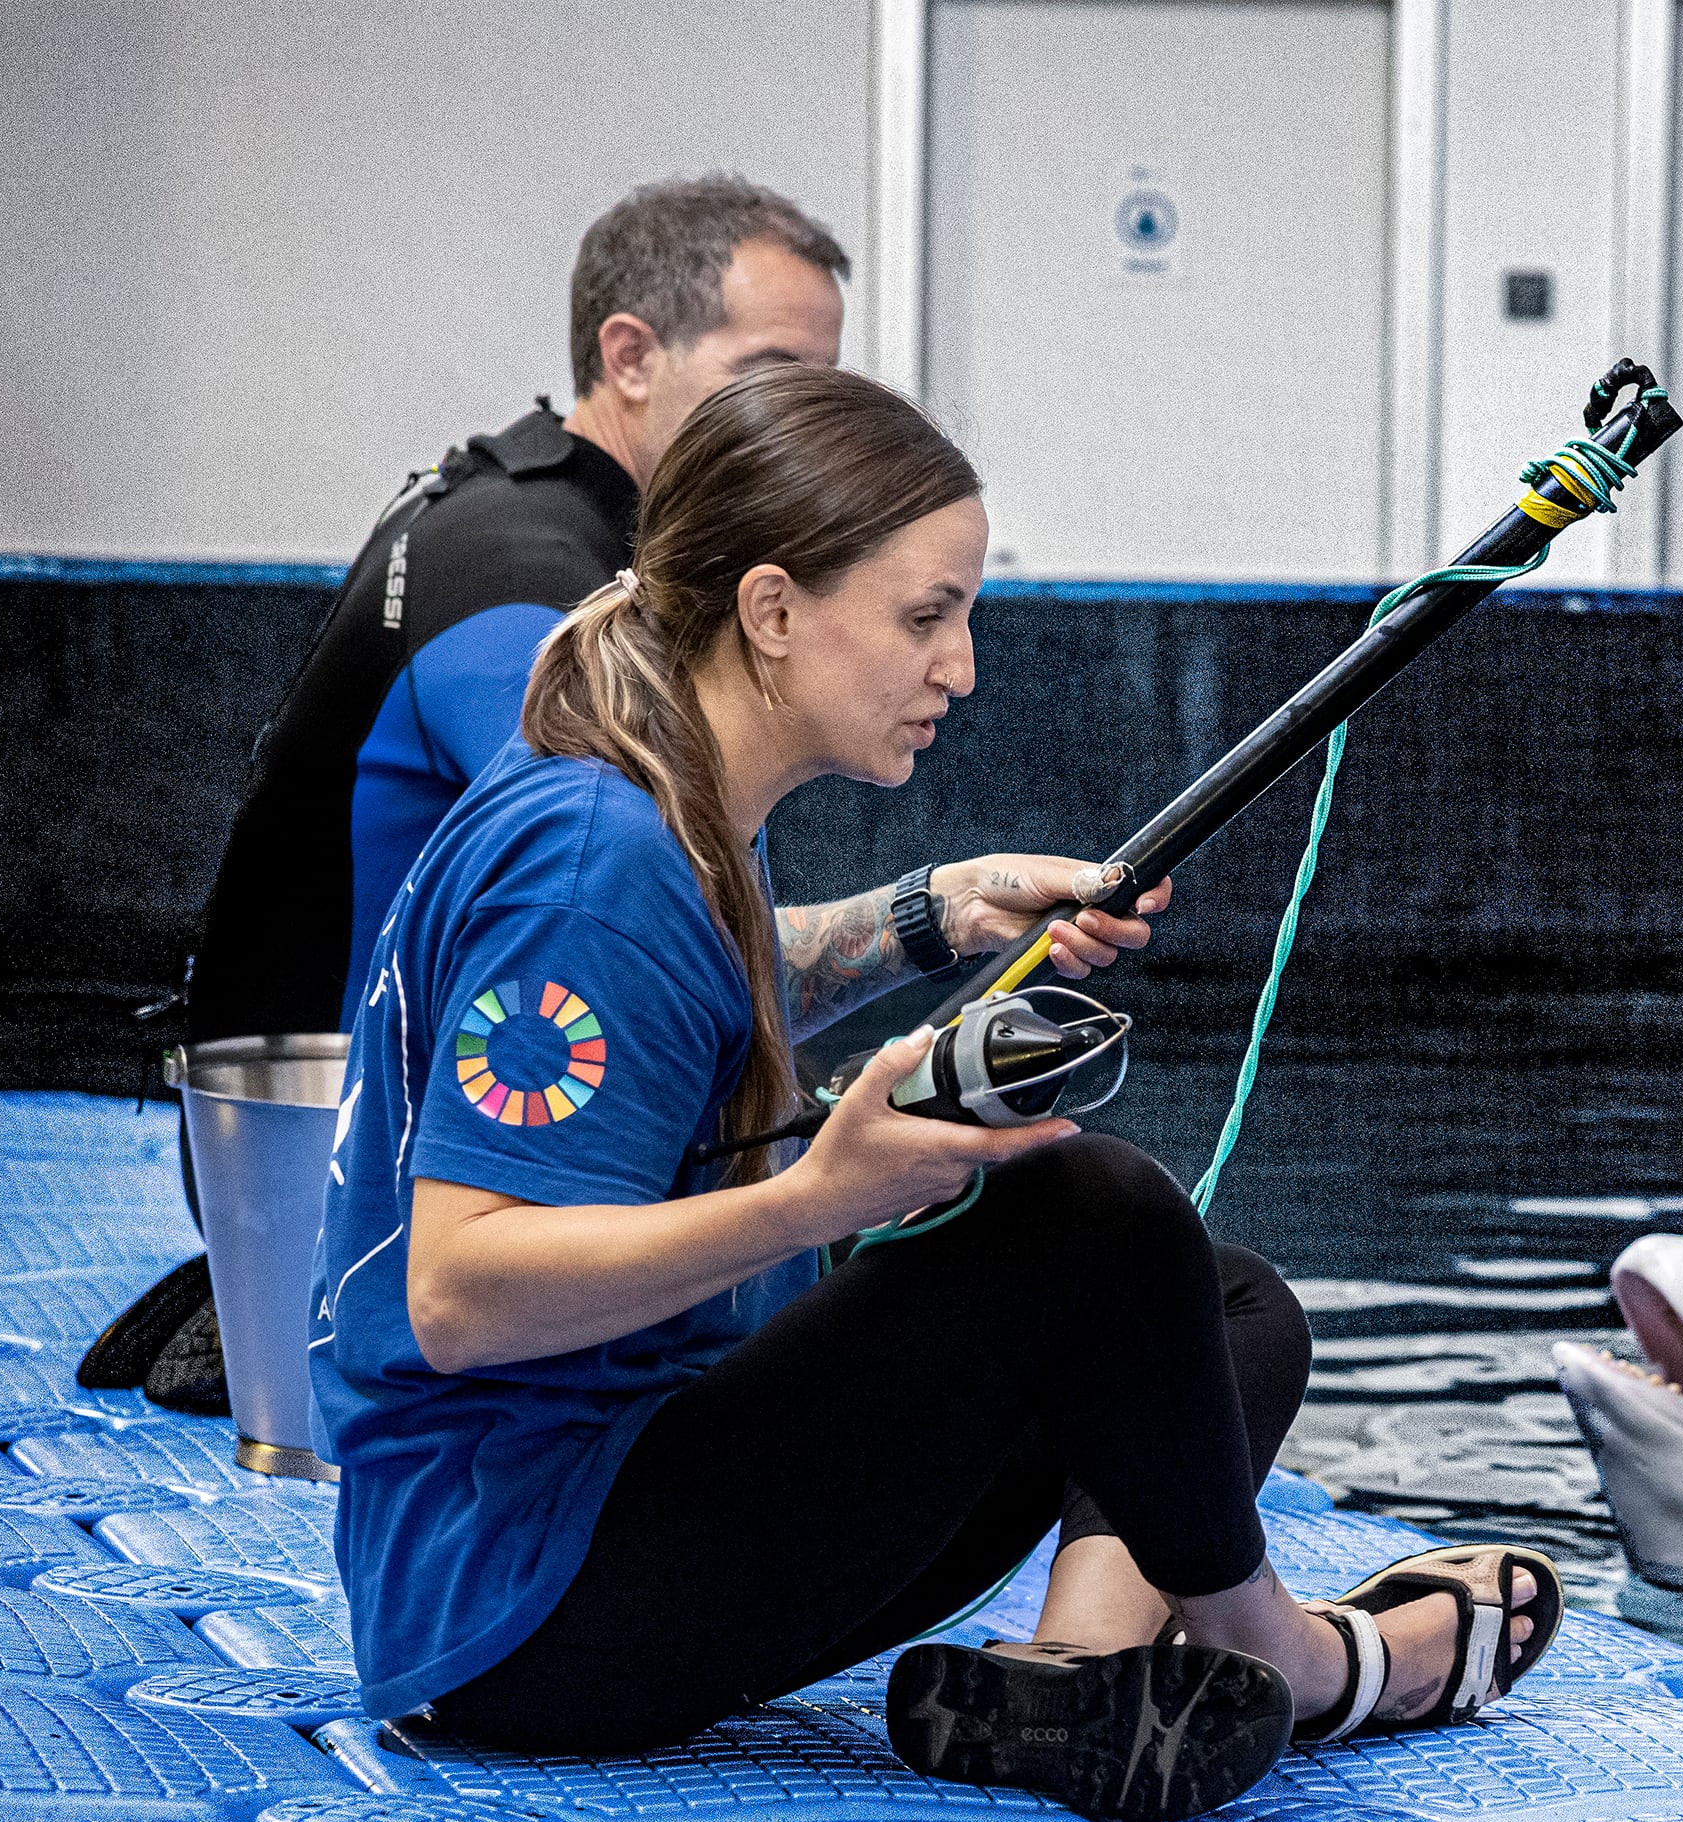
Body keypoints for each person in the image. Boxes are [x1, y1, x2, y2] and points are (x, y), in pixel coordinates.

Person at [308, 361, 1562, 1818]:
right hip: (527, 1618)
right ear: (772, 611)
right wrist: (815, 1199)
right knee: (1084, 1210)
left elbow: (702, 980)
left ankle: (1073, 1674)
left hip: (593, 1535)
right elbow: (464, 1293)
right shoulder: (597, 862)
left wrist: (936, 913)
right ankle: (1299, 1657)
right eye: (925, 617)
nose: (959, 668)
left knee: (1215, 1306)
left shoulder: (649, 794)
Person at [89, 174, 1034, 1403]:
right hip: (376, 1184)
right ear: (629, 357)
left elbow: (673, 955)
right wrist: (810, 1194)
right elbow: (602, 911)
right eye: (768, 368)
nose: (801, 409)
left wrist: (938, 913)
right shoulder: (521, 580)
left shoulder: (592, 554)